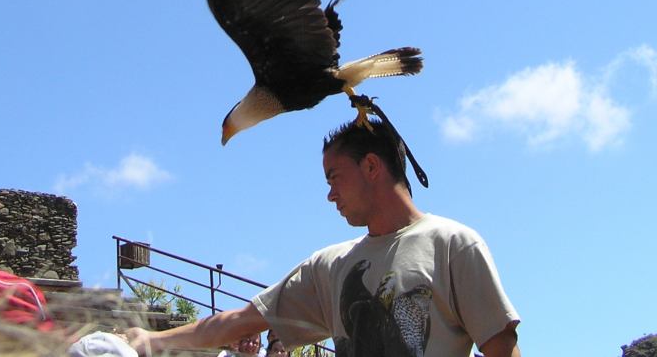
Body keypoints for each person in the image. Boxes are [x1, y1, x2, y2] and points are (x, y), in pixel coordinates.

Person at [127, 119, 520, 357]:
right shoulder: (329, 267)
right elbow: (240, 322)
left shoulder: (452, 245)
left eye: (334, 177)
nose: (330, 194)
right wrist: (149, 341)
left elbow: (502, 348)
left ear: (371, 166)